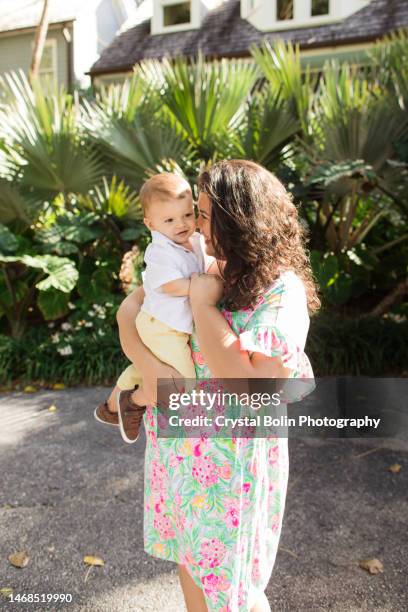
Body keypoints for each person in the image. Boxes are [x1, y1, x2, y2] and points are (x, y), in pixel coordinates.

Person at [111, 160, 320, 611]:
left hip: (232, 467)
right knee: (191, 562)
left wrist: (204, 309)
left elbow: (249, 384)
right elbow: (130, 316)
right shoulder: (210, 268)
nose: (193, 225)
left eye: (202, 214)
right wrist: (146, 371)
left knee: (233, 590)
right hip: (184, 454)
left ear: (237, 220)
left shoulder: (280, 291)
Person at [94, 172, 217, 443]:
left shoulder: (194, 241)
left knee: (149, 367)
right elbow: (171, 286)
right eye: (169, 220)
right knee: (179, 382)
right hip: (161, 326)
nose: (181, 224)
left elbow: (207, 264)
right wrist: (201, 285)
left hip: (169, 326)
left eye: (187, 215)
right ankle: (134, 401)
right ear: (151, 224)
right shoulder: (160, 251)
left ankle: (115, 402)